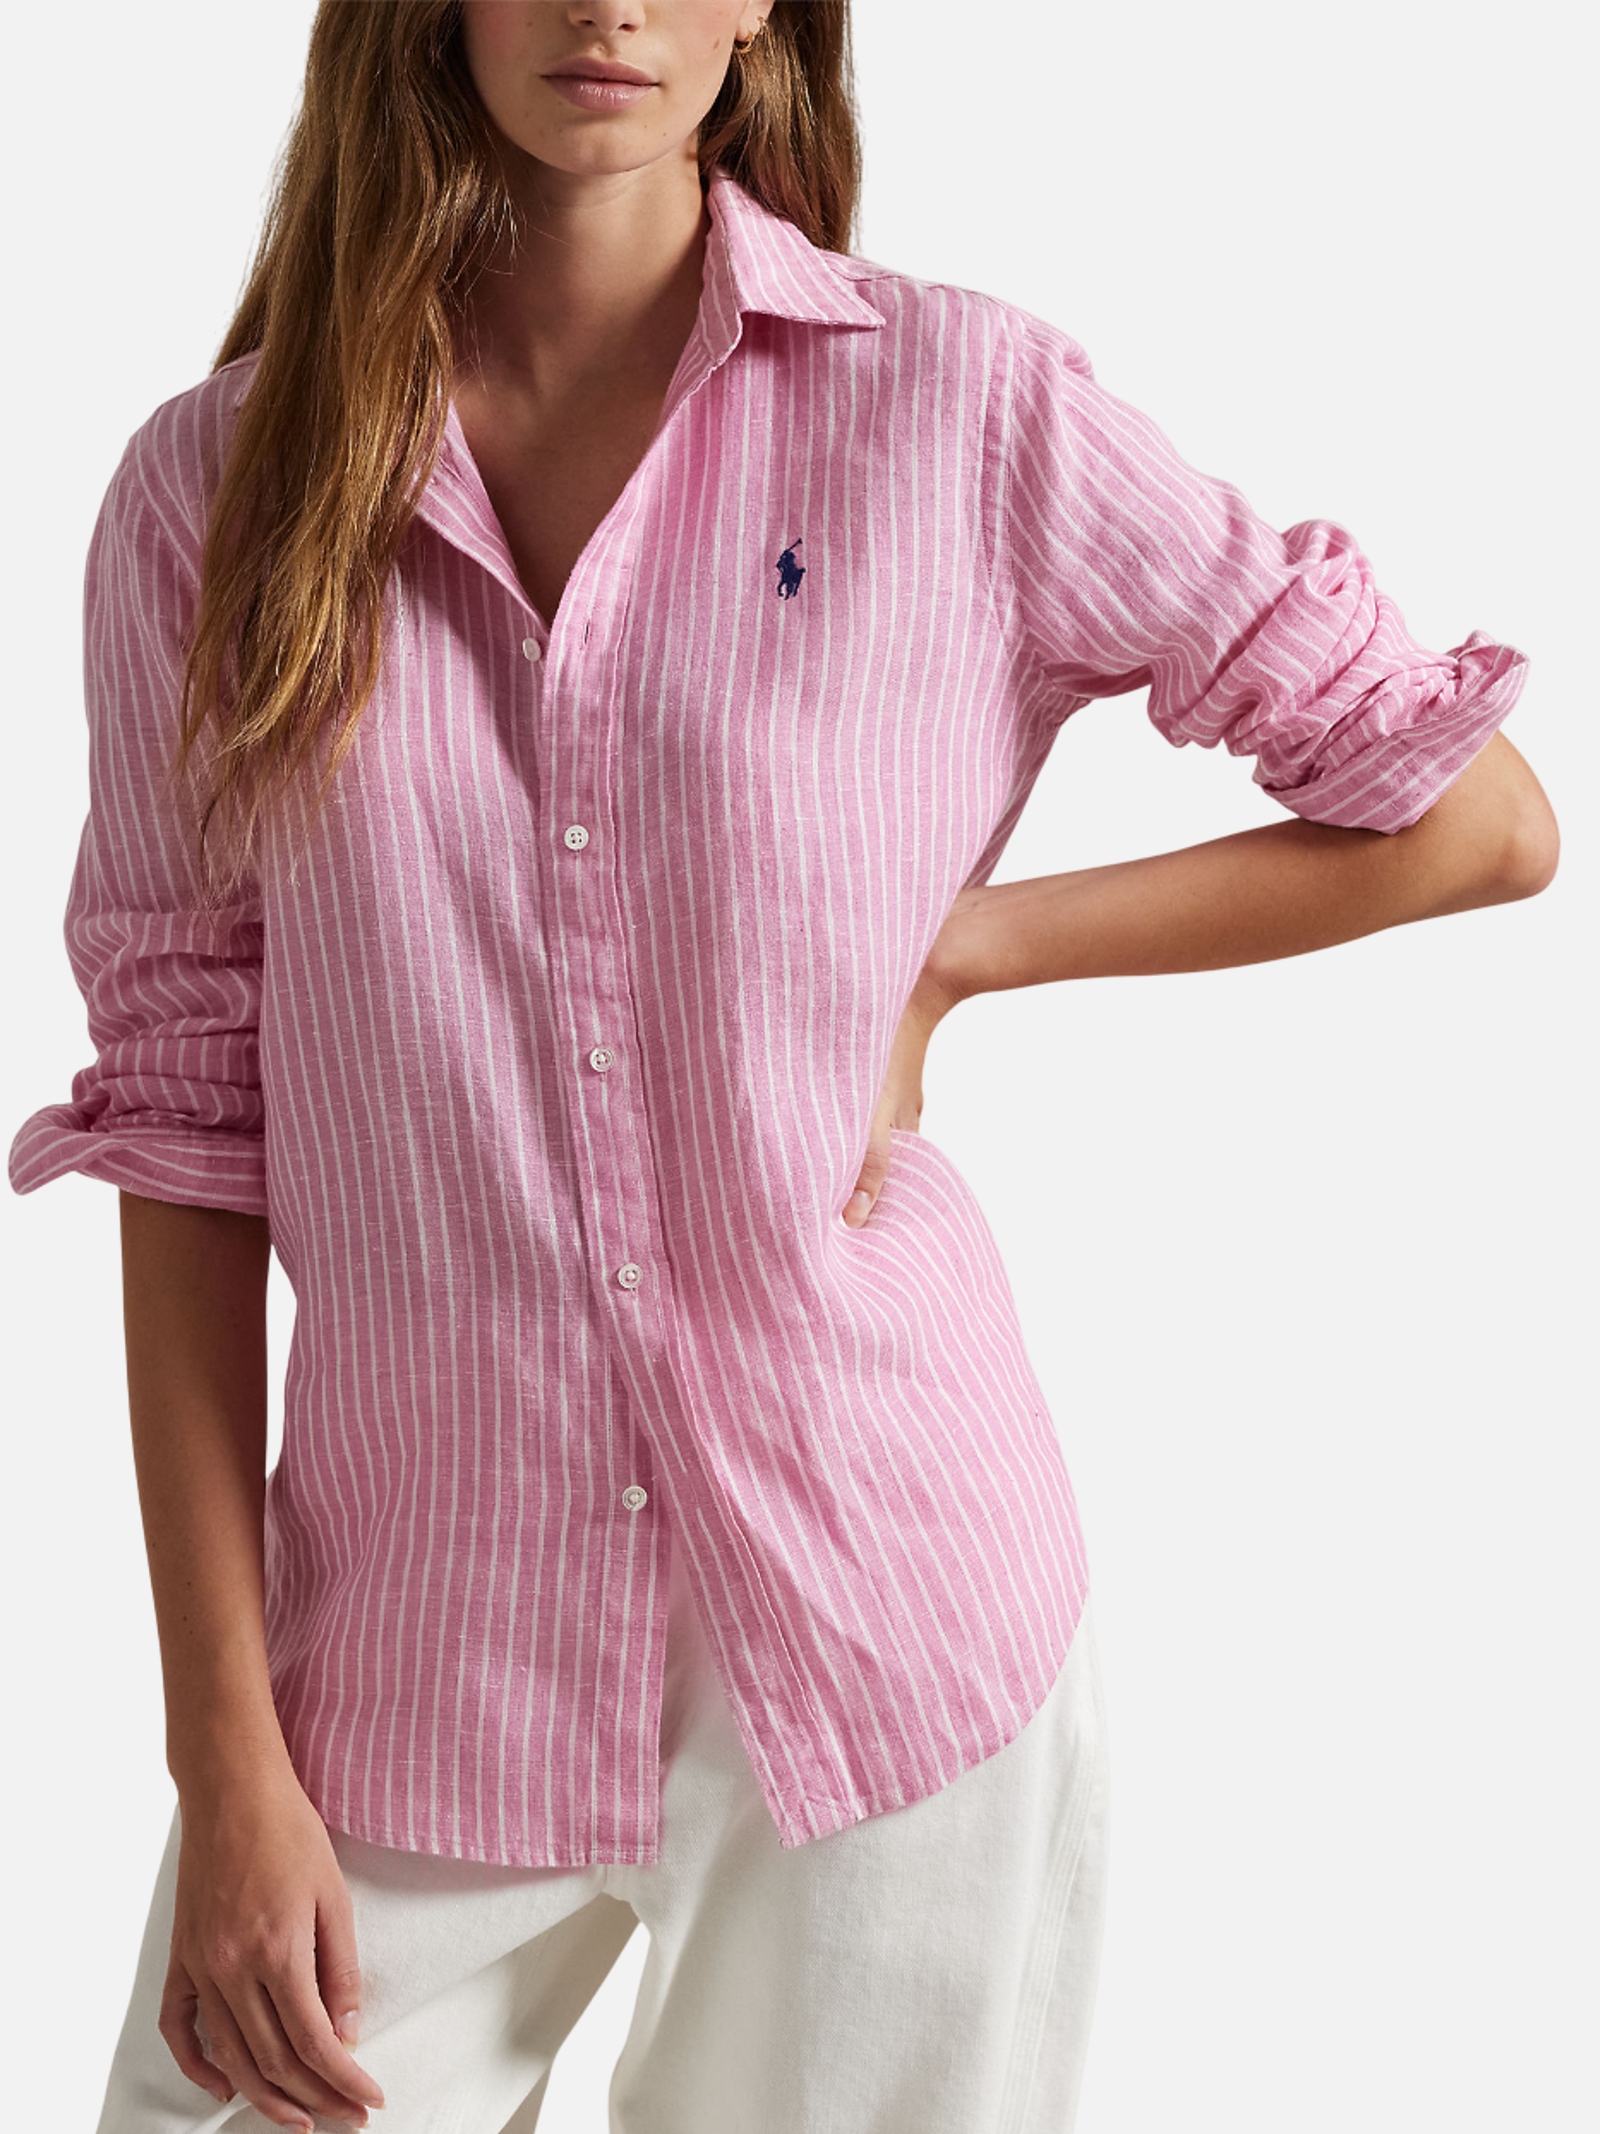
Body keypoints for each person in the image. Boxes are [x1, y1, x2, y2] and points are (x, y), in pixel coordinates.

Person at [8, 3, 1559, 2131]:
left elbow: (1473, 820)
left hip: (880, 1610)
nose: (611, 6)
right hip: (410, 1652)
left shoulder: (959, 408)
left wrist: (968, 952)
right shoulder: (214, 492)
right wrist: (222, 1759)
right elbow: (188, 1122)